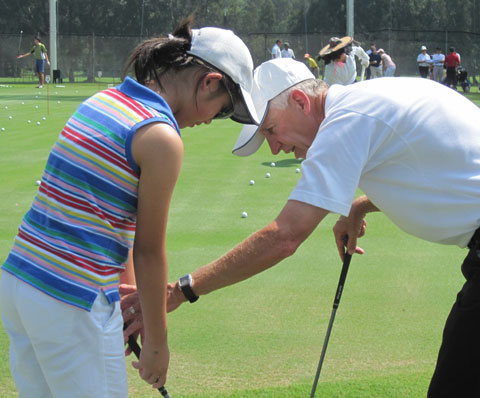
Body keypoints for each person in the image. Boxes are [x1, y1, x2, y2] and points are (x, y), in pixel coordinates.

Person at [121, 58, 480, 398]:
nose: (275, 148)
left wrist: (183, 289)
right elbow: (431, 169)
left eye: (272, 130)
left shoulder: (347, 119)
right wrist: (361, 204)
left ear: (299, 101)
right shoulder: (363, 103)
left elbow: (285, 236)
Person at [0, 18, 259, 398]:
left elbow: (116, 223)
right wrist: (157, 343)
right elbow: (150, 250)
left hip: (21, 285)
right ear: (210, 83)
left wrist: (132, 308)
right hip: (74, 301)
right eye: (221, 111)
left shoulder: (103, 100)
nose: (210, 121)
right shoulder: (160, 137)